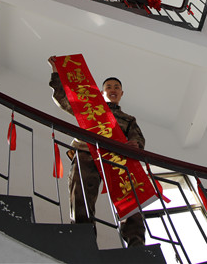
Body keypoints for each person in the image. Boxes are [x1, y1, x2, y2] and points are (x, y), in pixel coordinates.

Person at [48, 56, 146, 248]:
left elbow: (138, 139)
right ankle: (83, 241)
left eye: (116, 87)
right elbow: (63, 99)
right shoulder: (90, 108)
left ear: (121, 93)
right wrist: (55, 72)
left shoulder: (129, 119)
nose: (113, 89)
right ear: (102, 92)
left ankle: (136, 246)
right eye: (109, 87)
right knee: (81, 198)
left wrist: (135, 145)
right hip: (87, 154)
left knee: (131, 204)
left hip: (119, 160)